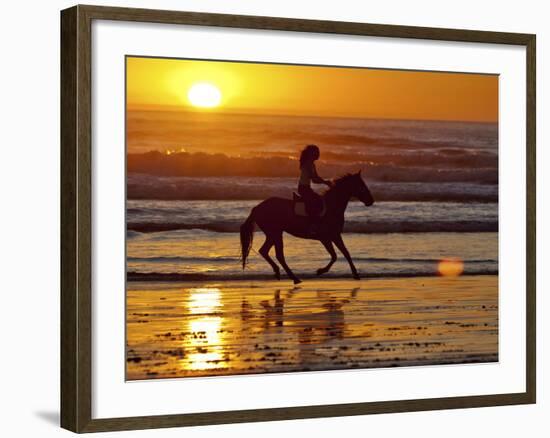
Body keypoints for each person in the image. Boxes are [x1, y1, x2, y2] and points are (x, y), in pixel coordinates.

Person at [297, 144, 332, 231]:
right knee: (315, 202)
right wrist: (325, 182)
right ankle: (311, 224)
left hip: (307, 188)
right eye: (316, 152)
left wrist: (325, 182)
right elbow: (314, 180)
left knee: (319, 200)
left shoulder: (312, 164)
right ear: (311, 154)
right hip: (303, 188)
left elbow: (316, 177)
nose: (318, 154)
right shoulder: (307, 164)